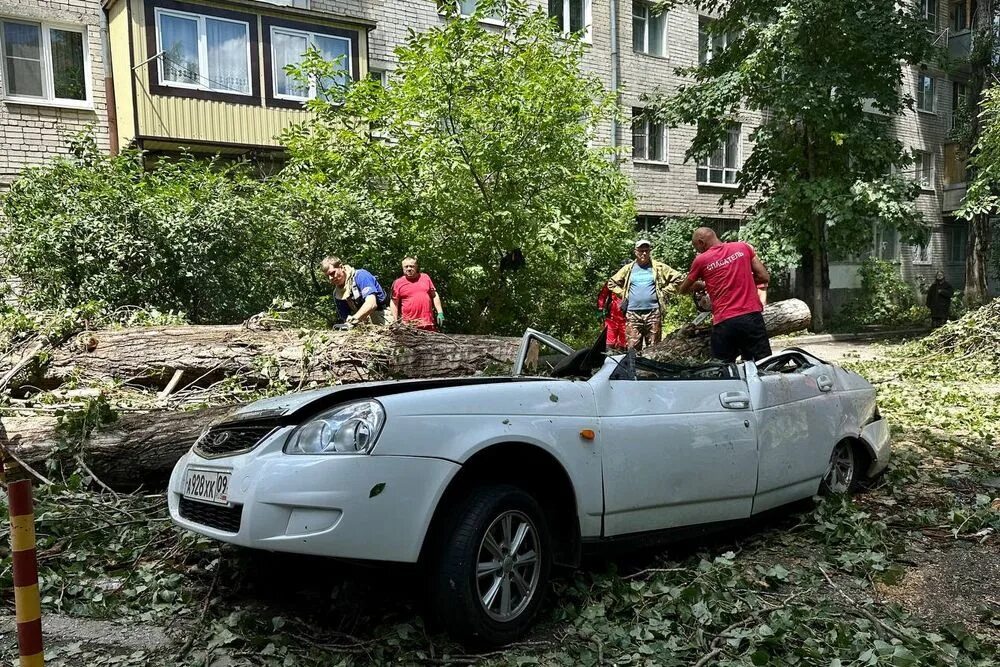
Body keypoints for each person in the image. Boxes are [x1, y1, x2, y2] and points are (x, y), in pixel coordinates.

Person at [677, 227, 772, 362]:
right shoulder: (743, 247)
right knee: (764, 364)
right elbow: (764, 277)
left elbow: (683, 289)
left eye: (695, 246)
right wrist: (744, 280)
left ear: (701, 242)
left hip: (725, 322)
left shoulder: (701, 260)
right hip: (751, 318)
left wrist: (701, 285)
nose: (696, 250)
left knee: (723, 368)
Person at [607, 239, 684, 351]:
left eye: (646, 251)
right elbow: (611, 283)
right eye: (641, 250)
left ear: (649, 251)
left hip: (653, 313)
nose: (644, 253)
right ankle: (634, 368)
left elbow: (678, 278)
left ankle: (651, 368)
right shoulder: (629, 268)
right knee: (632, 349)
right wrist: (624, 294)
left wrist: (665, 292)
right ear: (635, 252)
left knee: (654, 348)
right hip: (633, 314)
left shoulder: (658, 267)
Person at [321, 256, 389, 326]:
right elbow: (346, 318)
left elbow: (371, 304)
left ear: (341, 267)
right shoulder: (337, 294)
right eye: (327, 276)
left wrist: (354, 319)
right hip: (361, 322)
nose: (330, 278)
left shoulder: (361, 276)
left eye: (332, 273)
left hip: (382, 315)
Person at [390, 256, 445, 331]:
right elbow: (394, 302)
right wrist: (395, 321)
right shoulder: (398, 283)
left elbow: (434, 295)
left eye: (412, 266)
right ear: (402, 268)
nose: (409, 269)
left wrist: (440, 312)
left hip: (428, 323)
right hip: (409, 325)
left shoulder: (425, 277)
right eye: (406, 267)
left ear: (416, 267)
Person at [597, 283, 627, 352]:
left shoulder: (630, 281)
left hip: (626, 319)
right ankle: (607, 358)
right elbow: (603, 295)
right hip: (611, 318)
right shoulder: (612, 282)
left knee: (623, 345)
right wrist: (600, 309)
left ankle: (621, 358)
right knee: (609, 343)